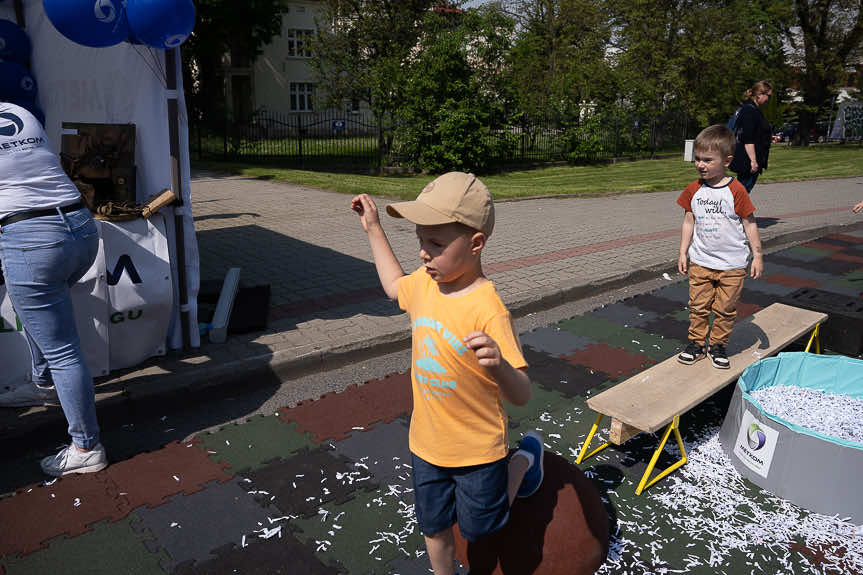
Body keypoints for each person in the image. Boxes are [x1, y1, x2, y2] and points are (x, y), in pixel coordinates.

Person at [351, 172, 544, 575]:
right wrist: (373, 228)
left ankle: (523, 462)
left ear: (475, 245)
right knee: (434, 526)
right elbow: (392, 286)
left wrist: (501, 366)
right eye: (420, 240)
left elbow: (522, 394)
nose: (423, 253)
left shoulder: (488, 309)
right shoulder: (424, 283)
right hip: (427, 442)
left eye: (435, 244)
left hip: (478, 450)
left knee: (479, 529)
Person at [0, 101, 108, 475]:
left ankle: (86, 446)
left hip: (32, 238)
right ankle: (44, 382)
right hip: (78, 227)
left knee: (63, 350)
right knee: (29, 307)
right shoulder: (16, 110)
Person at [677, 125, 763, 370]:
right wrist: (683, 251)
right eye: (697, 159)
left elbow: (750, 223)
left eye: (707, 160)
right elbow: (688, 220)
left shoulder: (736, 190)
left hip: (732, 266)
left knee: (725, 309)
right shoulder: (694, 189)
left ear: (726, 161)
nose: (700, 165)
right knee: (698, 306)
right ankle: (696, 344)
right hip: (701, 262)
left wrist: (757, 256)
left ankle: (717, 345)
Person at [729, 80, 773, 193]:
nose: (769, 99)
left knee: (740, 193)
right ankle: (727, 210)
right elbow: (747, 138)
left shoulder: (751, 109)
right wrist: (753, 161)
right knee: (740, 194)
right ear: (759, 94)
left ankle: (734, 209)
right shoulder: (750, 111)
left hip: (747, 158)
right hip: (747, 160)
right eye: (769, 96)